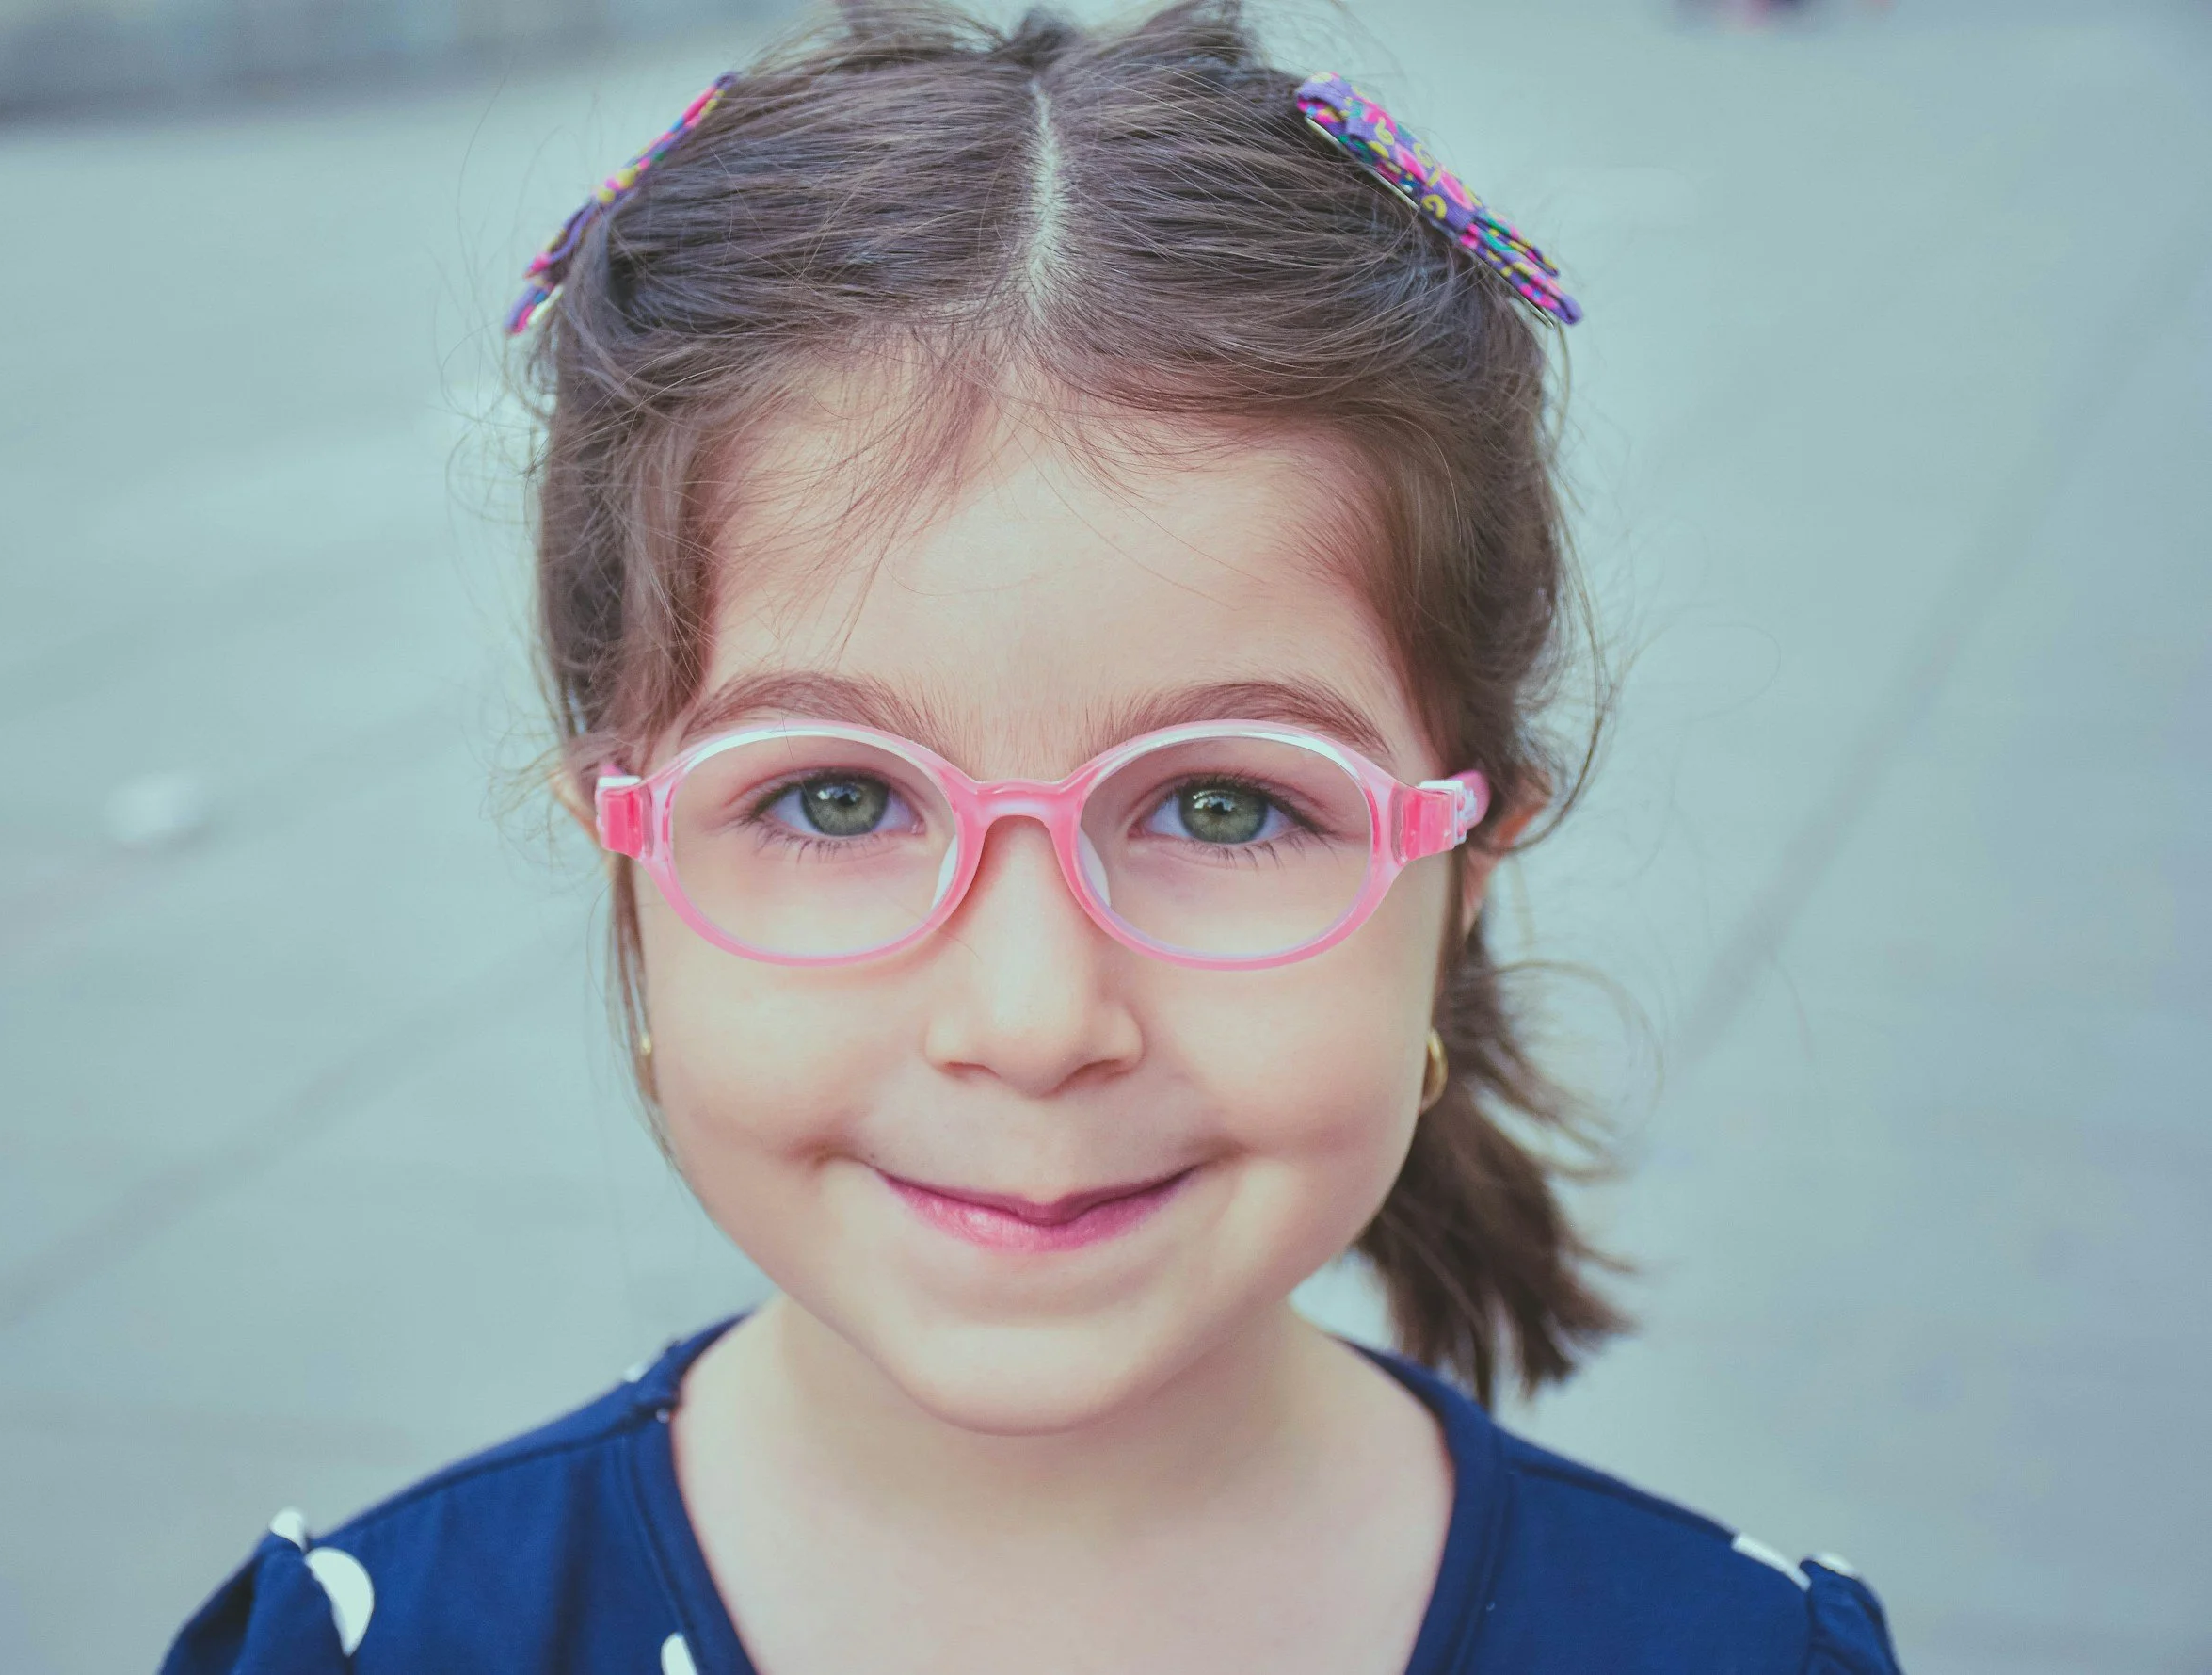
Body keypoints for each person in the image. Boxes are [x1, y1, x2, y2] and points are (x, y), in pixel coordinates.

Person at [163, 4, 1901, 1670]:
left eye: (1226, 805)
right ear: (626, 844)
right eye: (835, 796)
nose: (1032, 1016)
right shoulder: (388, 1644)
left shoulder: (1736, 1651)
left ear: (1468, 867)